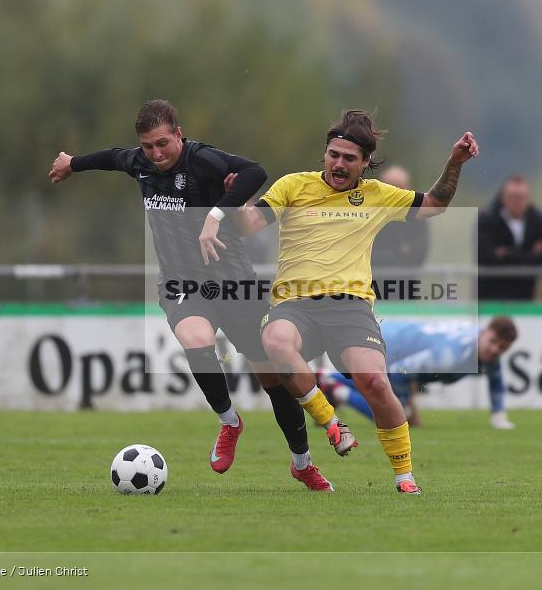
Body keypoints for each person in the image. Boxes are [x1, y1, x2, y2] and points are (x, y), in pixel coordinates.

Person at [48, 99, 333, 491]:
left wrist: (215, 216)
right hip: (181, 283)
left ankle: (302, 463)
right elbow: (112, 158)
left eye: (163, 143)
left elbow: (256, 171)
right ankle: (230, 422)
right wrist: (72, 162)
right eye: (148, 146)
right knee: (196, 341)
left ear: (179, 135)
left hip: (233, 283)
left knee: (273, 378)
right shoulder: (140, 163)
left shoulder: (202, 160)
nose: (156, 154)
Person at [232, 109, 479, 494]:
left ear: (365, 164)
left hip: (350, 309)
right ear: (325, 154)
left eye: (349, 158)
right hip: (294, 305)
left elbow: (436, 204)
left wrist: (454, 163)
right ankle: (332, 423)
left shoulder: (378, 196)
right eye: (334, 154)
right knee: (276, 343)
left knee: (377, 384)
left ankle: (405, 476)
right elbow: (249, 225)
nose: (339, 163)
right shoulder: (293, 186)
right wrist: (234, 202)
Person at [318, 317, 519, 430]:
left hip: (394, 340)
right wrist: (409, 406)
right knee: (395, 415)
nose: (495, 350)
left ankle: (329, 383)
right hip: (387, 342)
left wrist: (498, 416)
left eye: (502, 347)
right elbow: (399, 372)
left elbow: (496, 379)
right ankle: (333, 386)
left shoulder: (483, 349)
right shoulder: (451, 355)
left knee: (399, 411)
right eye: (493, 342)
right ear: (484, 333)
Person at [477, 174, 542, 300]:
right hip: (489, 298)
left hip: (524, 298)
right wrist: (529, 254)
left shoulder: (539, 220)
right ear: (503, 197)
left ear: (529, 198)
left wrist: (505, 253)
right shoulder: (487, 219)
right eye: (513, 197)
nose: (517, 202)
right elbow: (485, 255)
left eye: (522, 197)